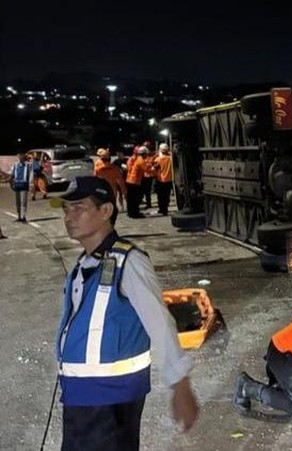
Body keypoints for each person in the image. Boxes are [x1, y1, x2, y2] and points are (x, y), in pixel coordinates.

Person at [53, 176, 199, 449]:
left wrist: (180, 386)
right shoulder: (83, 266)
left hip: (111, 399)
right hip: (81, 396)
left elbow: (160, 323)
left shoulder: (129, 262)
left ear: (105, 211)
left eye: (79, 207)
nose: (69, 217)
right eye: (66, 209)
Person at [125, 146, 148, 218]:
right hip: (135, 182)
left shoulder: (135, 159)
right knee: (136, 198)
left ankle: (130, 213)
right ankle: (135, 213)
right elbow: (147, 169)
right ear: (144, 154)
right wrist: (156, 170)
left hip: (130, 180)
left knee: (131, 199)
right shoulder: (141, 160)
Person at [10, 152, 31, 222]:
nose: (20, 157)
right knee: (18, 202)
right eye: (19, 155)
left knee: (24, 202)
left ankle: (24, 216)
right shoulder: (16, 165)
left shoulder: (28, 165)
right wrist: (11, 182)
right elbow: (13, 174)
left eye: (22, 155)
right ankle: (19, 216)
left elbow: (31, 175)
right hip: (17, 185)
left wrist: (31, 185)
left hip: (24, 184)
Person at [154, 143, 173, 216]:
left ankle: (162, 209)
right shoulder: (171, 159)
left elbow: (154, 169)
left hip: (160, 180)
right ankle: (165, 209)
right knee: (167, 196)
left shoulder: (158, 159)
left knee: (160, 196)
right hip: (169, 179)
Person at [141, 145, 157, 210]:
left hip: (149, 176)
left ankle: (148, 203)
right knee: (145, 191)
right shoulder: (143, 158)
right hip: (144, 176)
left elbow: (155, 164)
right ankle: (147, 203)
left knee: (147, 191)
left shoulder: (152, 157)